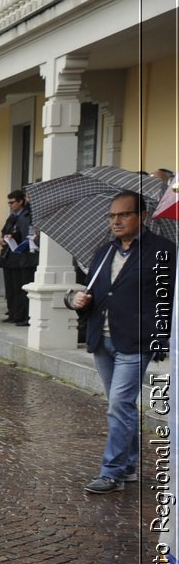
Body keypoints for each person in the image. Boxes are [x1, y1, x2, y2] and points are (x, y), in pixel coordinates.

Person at [68, 191, 177, 493]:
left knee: (119, 405)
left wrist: (158, 336)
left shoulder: (162, 251)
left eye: (124, 214)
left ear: (142, 216)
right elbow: (95, 292)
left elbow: (167, 300)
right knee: (121, 407)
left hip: (136, 341)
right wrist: (75, 300)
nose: (116, 221)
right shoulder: (103, 252)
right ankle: (128, 467)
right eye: (112, 216)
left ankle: (111, 473)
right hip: (102, 340)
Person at [0, 188, 37, 325]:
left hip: (24, 257)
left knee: (21, 289)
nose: (10, 205)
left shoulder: (28, 215)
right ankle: (14, 313)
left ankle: (23, 315)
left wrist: (15, 237)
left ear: (21, 201)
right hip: (9, 256)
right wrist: (3, 239)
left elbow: (26, 234)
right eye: (9, 203)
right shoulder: (13, 217)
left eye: (13, 202)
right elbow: (6, 231)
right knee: (11, 289)